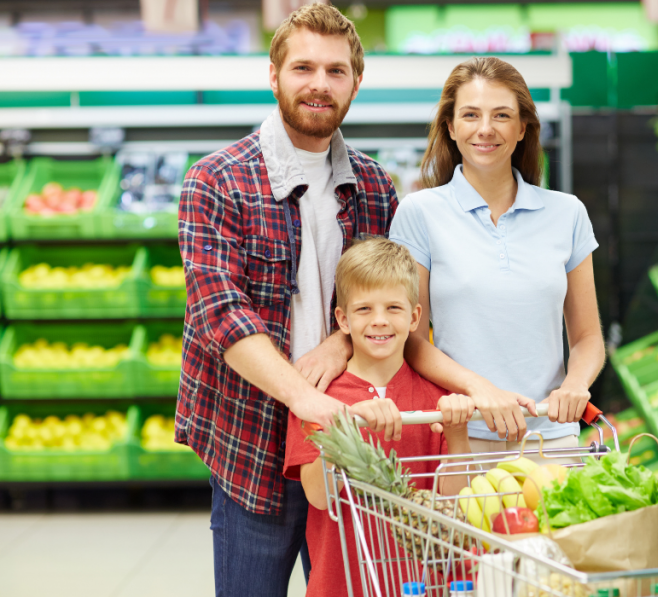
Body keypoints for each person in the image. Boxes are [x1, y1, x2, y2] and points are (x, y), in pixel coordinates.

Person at [175, 5, 397, 596]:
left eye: (336, 70)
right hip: (254, 443)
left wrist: (338, 340)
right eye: (303, 67)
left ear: (355, 81)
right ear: (273, 75)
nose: (319, 84)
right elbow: (220, 312)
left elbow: (388, 301)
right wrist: (305, 399)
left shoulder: (374, 187)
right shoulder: (216, 181)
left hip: (350, 450)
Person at [389, 57, 606, 464]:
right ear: (451, 127)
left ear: (523, 127)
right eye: (470, 114)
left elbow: (588, 337)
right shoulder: (418, 214)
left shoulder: (567, 213)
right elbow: (412, 341)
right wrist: (480, 390)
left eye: (501, 115)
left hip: (552, 438)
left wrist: (575, 386)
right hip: (461, 437)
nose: (485, 129)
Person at [284, 237, 474, 597]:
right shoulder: (318, 399)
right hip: (342, 586)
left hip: (426, 585)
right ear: (342, 319)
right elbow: (318, 495)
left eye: (393, 308)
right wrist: (346, 428)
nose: (380, 321)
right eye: (364, 310)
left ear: (415, 317)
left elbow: (454, 504)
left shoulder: (435, 396)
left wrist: (459, 434)